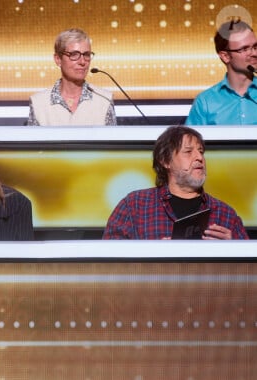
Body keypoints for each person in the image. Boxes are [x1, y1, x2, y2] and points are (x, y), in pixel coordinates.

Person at [103, 125, 248, 240]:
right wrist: (154, 255)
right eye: (188, 151)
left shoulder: (225, 213)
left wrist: (233, 248)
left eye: (201, 151)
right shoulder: (135, 206)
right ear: (166, 161)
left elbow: (251, 272)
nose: (199, 157)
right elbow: (107, 261)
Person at [27, 28, 116, 126]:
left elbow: (112, 140)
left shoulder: (104, 99)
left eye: (86, 55)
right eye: (74, 55)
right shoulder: (38, 102)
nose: (82, 62)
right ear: (58, 59)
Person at [186, 21, 257, 125]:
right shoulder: (205, 101)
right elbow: (191, 141)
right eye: (244, 49)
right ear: (225, 56)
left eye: (255, 47)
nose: (254, 53)